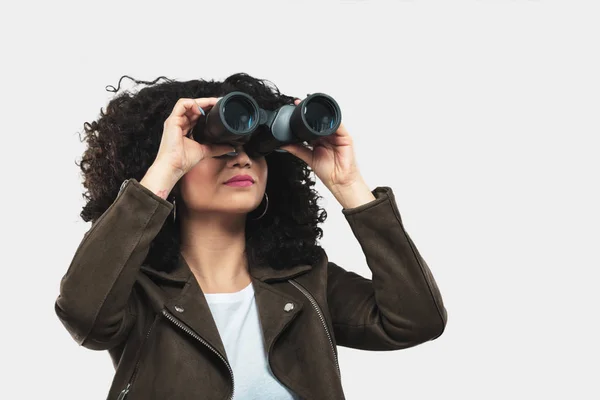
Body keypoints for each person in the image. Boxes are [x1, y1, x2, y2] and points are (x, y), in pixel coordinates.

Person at [54, 72, 448, 400]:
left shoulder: (308, 282)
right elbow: (83, 315)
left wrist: (348, 184)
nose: (241, 157)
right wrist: (165, 168)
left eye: (255, 148)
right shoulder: (138, 291)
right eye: (219, 149)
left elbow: (416, 320)